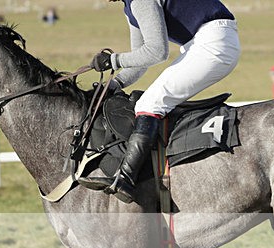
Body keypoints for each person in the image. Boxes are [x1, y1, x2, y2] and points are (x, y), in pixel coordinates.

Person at [77, 0, 240, 204]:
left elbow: (156, 51)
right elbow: (141, 60)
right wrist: (113, 84)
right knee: (150, 101)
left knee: (148, 104)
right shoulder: (131, 7)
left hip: (212, 42)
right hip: (206, 41)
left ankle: (126, 178)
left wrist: (114, 61)